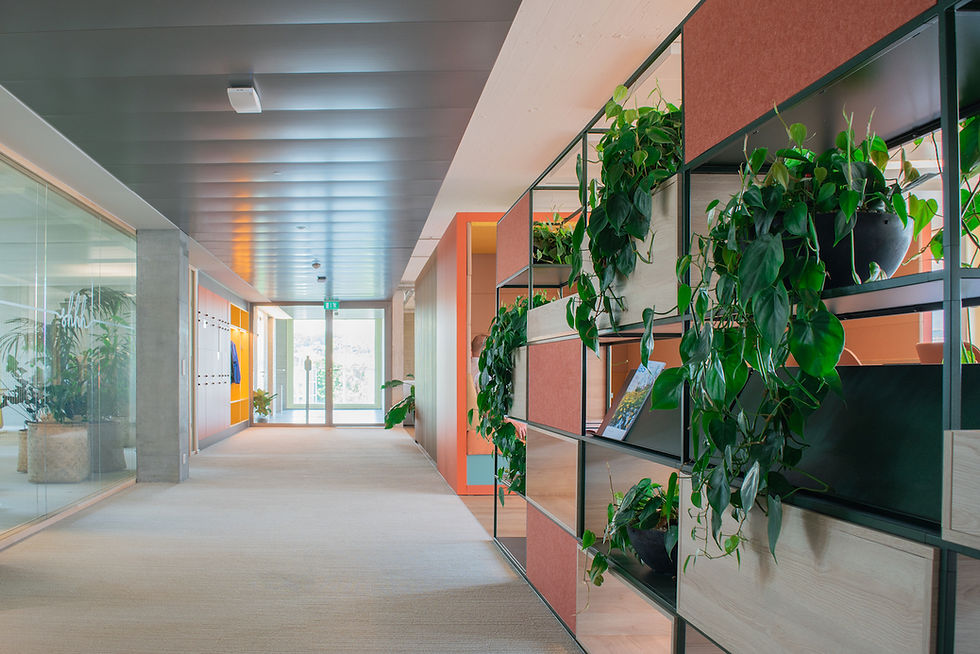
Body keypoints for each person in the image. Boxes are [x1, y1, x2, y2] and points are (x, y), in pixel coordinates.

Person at [468, 333, 526, 439]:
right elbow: (486, 409)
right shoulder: (483, 374)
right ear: (487, 350)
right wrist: (510, 421)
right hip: (489, 428)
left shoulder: (469, 369)